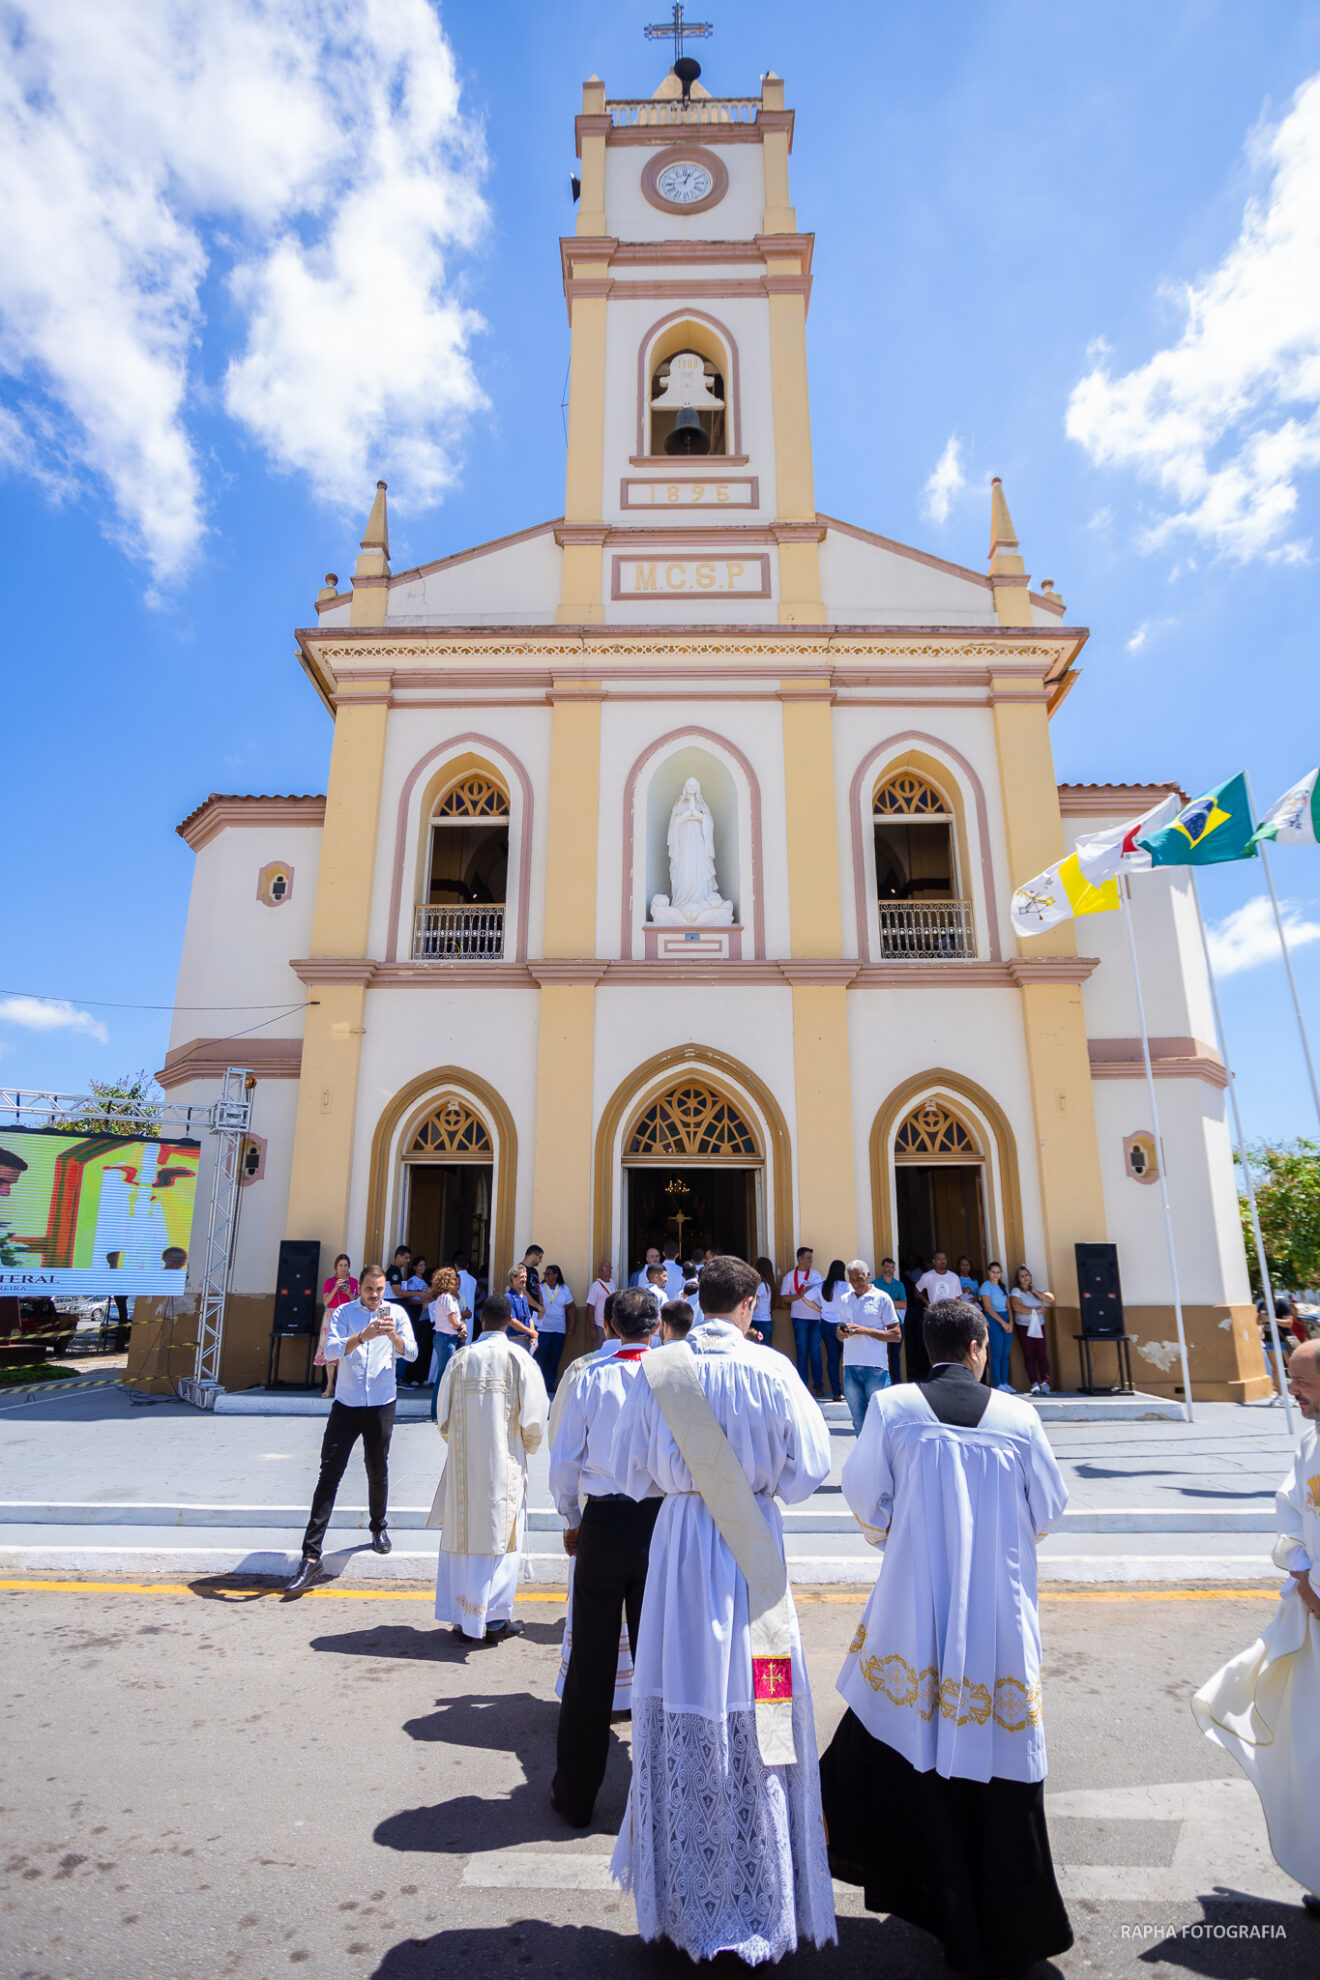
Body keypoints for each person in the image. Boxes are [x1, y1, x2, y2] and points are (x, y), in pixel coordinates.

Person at [821, 1297, 1073, 1977]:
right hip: (998, 1610)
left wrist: (906, 1538)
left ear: (924, 1348)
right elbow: (1049, 1508)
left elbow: (864, 1497)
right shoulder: (1018, 1417)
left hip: (915, 1606)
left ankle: (937, 1899)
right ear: (978, 1348)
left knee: (914, 1741)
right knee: (998, 1754)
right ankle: (1010, 1922)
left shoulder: (893, 1408)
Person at [609, 1255, 837, 1963]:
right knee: (765, 1702)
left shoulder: (659, 1369)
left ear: (696, 1300)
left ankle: (687, 1902)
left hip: (680, 1554)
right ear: (750, 1304)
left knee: (687, 1696)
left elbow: (627, 1470)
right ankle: (766, 1897)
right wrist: (760, 1486)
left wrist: (684, 1482)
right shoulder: (773, 1370)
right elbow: (812, 1467)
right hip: (754, 1556)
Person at [1193, 1336, 1320, 1919]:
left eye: (1303, 1382)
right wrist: (1304, 1578)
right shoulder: (1310, 1444)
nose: (1292, 1392)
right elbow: (1292, 1513)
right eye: (1291, 1380)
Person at [549, 1286, 661, 1827]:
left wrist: (571, 1518)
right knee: (658, 1662)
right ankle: (663, 1791)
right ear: (656, 1327)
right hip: (660, 1522)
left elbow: (565, 1460)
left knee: (590, 1664)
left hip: (604, 1520)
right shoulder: (674, 1377)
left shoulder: (589, 1376)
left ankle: (575, 1795)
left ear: (611, 1327)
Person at [285, 1265, 417, 1594]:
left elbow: (413, 1353)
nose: (375, 1295)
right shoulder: (344, 1313)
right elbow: (330, 1351)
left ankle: (378, 1526)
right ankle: (311, 1555)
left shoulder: (397, 1314)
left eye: (380, 1289)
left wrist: (392, 1336)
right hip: (346, 1404)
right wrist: (362, 1337)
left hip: (381, 1403)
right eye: (370, 1289)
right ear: (360, 1288)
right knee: (329, 1475)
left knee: (378, 1469)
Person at [430, 1292, 548, 1643]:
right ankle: (494, 1620)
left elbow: (443, 1417)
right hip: (504, 1467)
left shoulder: (461, 1359)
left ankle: (463, 1617)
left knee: (465, 1539)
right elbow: (535, 1419)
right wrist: (527, 1446)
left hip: (464, 1468)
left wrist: (461, 1444)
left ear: (481, 1320)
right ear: (510, 1321)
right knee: (501, 1538)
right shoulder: (519, 1359)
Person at [838, 1260, 902, 1435]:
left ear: (868, 1276)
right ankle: (863, 1453)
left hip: (875, 1368)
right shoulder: (845, 1299)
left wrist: (864, 1330)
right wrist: (841, 1333)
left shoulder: (882, 1298)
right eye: (852, 1280)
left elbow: (896, 1335)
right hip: (850, 1367)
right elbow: (840, 1330)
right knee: (858, 1421)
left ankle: (883, 1453)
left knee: (882, 1420)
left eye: (859, 1279)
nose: (856, 1283)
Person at [782, 1245, 825, 1395]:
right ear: (799, 1259)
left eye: (811, 1258)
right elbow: (784, 1298)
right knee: (801, 1351)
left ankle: (818, 1385)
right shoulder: (789, 1277)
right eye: (807, 1258)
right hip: (799, 1318)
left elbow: (824, 1292)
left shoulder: (816, 1275)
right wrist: (800, 1295)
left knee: (815, 1351)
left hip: (815, 1318)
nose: (810, 1261)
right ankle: (802, 1386)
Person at [315, 1253, 358, 1398]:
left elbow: (356, 1304)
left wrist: (350, 1294)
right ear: (336, 1267)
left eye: (346, 1265)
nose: (343, 1268)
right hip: (331, 1316)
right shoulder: (329, 1281)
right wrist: (335, 1287)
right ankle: (329, 1386)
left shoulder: (353, 1282)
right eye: (341, 1265)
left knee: (343, 1352)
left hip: (346, 1317)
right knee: (330, 1351)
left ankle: (340, 1386)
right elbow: (326, 1301)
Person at [426, 1266, 466, 1422]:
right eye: (454, 1278)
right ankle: (437, 1413)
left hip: (448, 1337)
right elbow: (453, 1320)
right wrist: (461, 1328)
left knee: (446, 1374)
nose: (456, 1281)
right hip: (446, 1338)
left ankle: (441, 1412)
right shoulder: (447, 1298)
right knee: (444, 1375)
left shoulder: (445, 1298)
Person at [1010, 1264, 1055, 1395]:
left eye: (1027, 1275)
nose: (1025, 1278)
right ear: (1018, 1279)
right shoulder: (1016, 1291)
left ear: (1030, 1276)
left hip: (1039, 1326)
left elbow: (1051, 1299)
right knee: (1029, 1355)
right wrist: (1035, 1310)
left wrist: (1035, 1292)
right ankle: (1034, 1383)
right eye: (1022, 1276)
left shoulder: (1037, 1290)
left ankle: (1045, 1382)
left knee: (1042, 1354)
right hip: (1024, 1327)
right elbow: (1016, 1306)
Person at [535, 1263, 575, 1395]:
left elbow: (570, 1307)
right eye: (545, 1274)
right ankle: (539, 1383)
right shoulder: (540, 1288)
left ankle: (549, 1384)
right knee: (541, 1356)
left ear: (556, 1275)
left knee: (554, 1357)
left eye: (549, 1274)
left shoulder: (564, 1289)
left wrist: (571, 1325)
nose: (546, 1276)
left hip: (559, 1329)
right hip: (543, 1329)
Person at [873, 1257, 907, 1386]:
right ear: (882, 1268)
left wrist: (885, 1302)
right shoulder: (875, 1284)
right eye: (887, 1266)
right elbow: (873, 1304)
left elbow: (903, 1304)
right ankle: (880, 1383)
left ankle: (896, 1382)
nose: (889, 1269)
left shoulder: (899, 1285)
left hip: (896, 1324)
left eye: (892, 1267)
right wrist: (894, 1303)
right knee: (879, 1354)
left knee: (895, 1355)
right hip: (879, 1324)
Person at [980, 1261, 1013, 1391]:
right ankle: (998, 1384)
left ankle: (1005, 1382)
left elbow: (1009, 1307)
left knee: (1005, 1353)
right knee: (997, 1353)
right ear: (989, 1272)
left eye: (998, 1272)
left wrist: (1010, 1322)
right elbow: (988, 1307)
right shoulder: (986, 1286)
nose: (996, 1275)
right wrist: (1002, 1322)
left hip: (1006, 1318)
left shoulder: (1003, 1287)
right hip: (994, 1319)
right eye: (993, 1272)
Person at [818, 1258, 848, 1403]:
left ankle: (836, 1392)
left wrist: (820, 1309)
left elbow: (805, 1298)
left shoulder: (822, 1286)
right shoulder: (846, 1286)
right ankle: (850, 1391)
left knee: (832, 1359)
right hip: (842, 1324)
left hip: (826, 1324)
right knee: (849, 1360)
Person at [401, 1257, 432, 1385]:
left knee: (424, 1346)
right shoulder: (411, 1281)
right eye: (420, 1265)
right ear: (414, 1267)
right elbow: (410, 1300)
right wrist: (422, 1300)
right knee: (416, 1344)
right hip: (416, 1315)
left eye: (424, 1265)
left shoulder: (425, 1282)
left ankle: (421, 1376)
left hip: (425, 1317)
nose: (422, 1268)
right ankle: (412, 1376)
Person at [505, 1264, 540, 1351]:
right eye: (521, 1277)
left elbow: (529, 1319)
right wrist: (530, 1332)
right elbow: (512, 1321)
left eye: (525, 1277)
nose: (524, 1279)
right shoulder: (508, 1297)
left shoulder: (524, 1298)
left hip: (527, 1341)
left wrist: (533, 1336)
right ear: (513, 1277)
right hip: (514, 1340)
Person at [585, 1258, 614, 1348]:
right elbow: (590, 1308)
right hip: (600, 1325)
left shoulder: (613, 1283)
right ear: (600, 1271)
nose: (609, 1270)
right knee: (599, 1350)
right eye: (606, 1268)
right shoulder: (595, 1286)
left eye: (610, 1267)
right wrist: (592, 1329)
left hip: (611, 1325)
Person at [750, 1256, 777, 1346]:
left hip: (759, 1322)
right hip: (765, 1322)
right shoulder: (769, 1285)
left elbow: (753, 1303)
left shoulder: (762, 1286)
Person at [451, 1252, 478, 1336]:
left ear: (455, 1265)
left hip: (456, 1316)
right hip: (469, 1317)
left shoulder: (454, 1279)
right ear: (468, 1265)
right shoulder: (473, 1280)